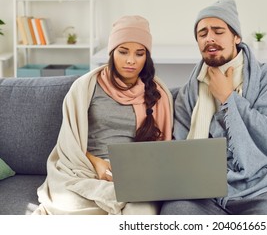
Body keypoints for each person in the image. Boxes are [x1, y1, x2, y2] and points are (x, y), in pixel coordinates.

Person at [160, 0, 267, 215]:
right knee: (174, 214)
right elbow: (181, 146)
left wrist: (228, 98)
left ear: (236, 36)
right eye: (203, 33)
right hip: (203, 192)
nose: (210, 38)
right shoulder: (191, 88)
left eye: (218, 31)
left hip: (261, 188)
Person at [34, 15, 173, 215]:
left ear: (147, 57)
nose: (130, 60)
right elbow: (68, 143)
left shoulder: (157, 93)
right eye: (123, 52)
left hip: (133, 174)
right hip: (85, 169)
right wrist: (95, 162)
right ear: (112, 52)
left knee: (141, 212)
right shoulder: (85, 86)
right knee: (68, 203)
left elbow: (161, 152)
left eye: (139, 53)